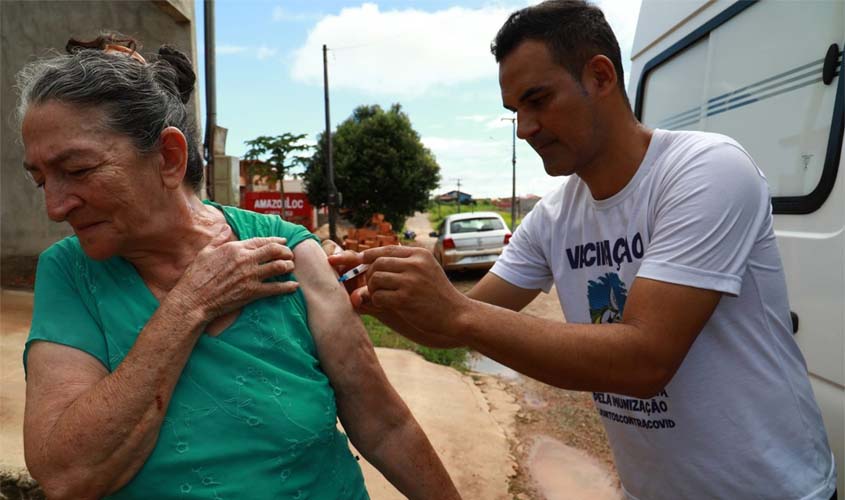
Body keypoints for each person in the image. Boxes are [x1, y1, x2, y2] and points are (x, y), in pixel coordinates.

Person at [329, 1, 838, 498]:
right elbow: (458, 324)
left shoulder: (706, 170)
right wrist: (365, 292)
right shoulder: (553, 217)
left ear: (599, 76)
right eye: (515, 112)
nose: (525, 128)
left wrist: (456, 312)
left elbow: (645, 361)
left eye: (538, 100)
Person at [18, 35, 460, 500]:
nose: (55, 207)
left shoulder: (287, 251)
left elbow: (385, 426)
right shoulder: (70, 273)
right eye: (40, 179)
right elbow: (67, 475)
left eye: (79, 170)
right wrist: (189, 304)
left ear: (169, 158)